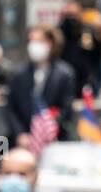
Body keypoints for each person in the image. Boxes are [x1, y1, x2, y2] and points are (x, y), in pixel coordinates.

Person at [5, 25, 80, 155]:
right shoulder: (18, 73)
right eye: (31, 41)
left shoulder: (65, 74)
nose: (34, 45)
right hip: (23, 143)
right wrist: (20, 134)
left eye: (39, 41)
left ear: (51, 43)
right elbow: (11, 108)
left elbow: (65, 108)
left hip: (54, 141)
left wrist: (46, 130)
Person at [59, 0, 100, 92]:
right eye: (69, 14)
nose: (72, 18)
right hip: (64, 79)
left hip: (85, 80)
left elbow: (97, 53)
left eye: (75, 14)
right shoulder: (60, 32)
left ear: (80, 14)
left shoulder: (87, 31)